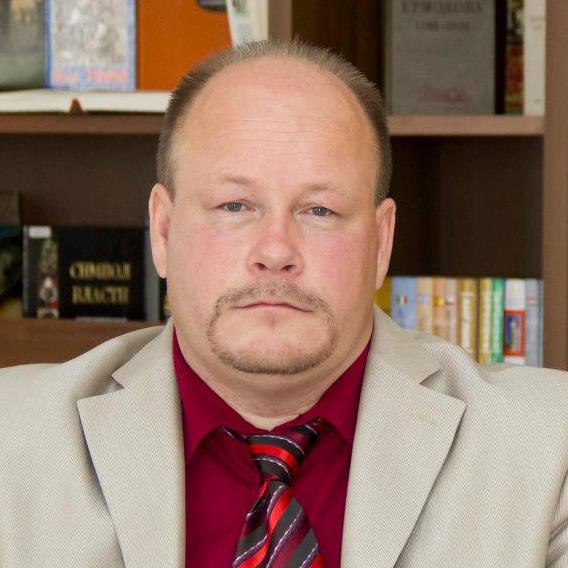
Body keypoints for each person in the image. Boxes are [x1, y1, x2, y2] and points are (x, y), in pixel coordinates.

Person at [1, 40, 567, 568]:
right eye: (234, 206)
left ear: (381, 242)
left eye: (319, 210)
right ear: (164, 231)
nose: (275, 252)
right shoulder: (13, 441)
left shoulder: (550, 448)